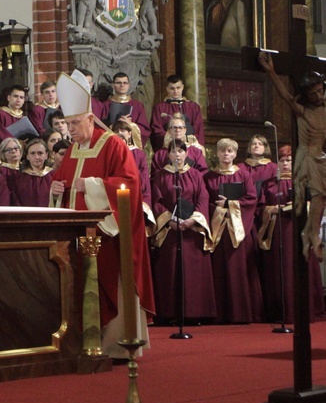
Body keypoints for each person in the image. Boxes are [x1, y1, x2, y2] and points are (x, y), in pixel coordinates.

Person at [50, 70, 154, 359]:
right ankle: (85, 342)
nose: (69, 129)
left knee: (110, 283)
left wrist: (94, 186)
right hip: (77, 236)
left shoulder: (113, 145)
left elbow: (130, 184)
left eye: (74, 123)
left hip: (108, 235)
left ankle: (117, 346)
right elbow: (62, 185)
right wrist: (56, 188)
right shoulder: (71, 151)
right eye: (67, 124)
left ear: (89, 119)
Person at [258, 51, 326, 261]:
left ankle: (310, 233)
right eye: (313, 93)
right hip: (309, 157)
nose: (318, 96)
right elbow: (285, 96)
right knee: (318, 194)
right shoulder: (303, 112)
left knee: (321, 197)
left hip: (322, 157)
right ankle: (312, 235)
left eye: (320, 90)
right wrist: (271, 71)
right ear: (306, 95)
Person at [258, 145, 326, 323]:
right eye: (282, 160)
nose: (285, 163)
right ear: (277, 163)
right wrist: (273, 208)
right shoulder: (269, 183)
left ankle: (306, 309)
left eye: (289, 160)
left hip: (299, 230)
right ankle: (281, 311)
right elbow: (260, 207)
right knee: (281, 268)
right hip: (278, 232)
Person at [151, 141, 216, 322]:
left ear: (186, 154)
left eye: (180, 151)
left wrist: (193, 220)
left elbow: (203, 197)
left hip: (191, 229)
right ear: (169, 155)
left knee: (193, 271)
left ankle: (195, 313)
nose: (177, 155)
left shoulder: (195, 175)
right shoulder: (161, 176)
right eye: (174, 152)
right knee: (170, 270)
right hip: (170, 230)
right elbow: (157, 201)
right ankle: (171, 313)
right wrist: (169, 221)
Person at [204, 138, 262, 323]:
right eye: (223, 151)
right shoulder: (209, 176)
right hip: (219, 229)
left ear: (235, 154)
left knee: (240, 269)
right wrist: (219, 210)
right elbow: (206, 203)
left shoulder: (243, 175)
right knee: (220, 269)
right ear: (218, 153)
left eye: (230, 151)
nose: (226, 154)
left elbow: (252, 199)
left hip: (239, 230)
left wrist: (230, 204)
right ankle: (220, 313)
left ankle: (242, 313)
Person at [150, 75, 205, 151]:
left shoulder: (193, 107)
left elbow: (198, 129)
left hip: (190, 147)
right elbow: (156, 130)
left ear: (182, 87)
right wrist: (174, 138)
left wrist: (186, 139)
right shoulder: (160, 108)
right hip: (169, 147)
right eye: (172, 88)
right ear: (167, 89)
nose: (175, 91)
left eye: (178, 88)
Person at [100, 72, 150, 148]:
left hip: (131, 147)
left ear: (129, 85)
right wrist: (114, 126)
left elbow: (145, 129)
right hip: (112, 145)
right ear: (113, 85)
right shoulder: (105, 105)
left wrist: (130, 125)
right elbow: (101, 128)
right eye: (118, 83)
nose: (122, 85)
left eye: (125, 83)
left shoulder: (137, 105)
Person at [10, 138, 53, 207]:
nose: (36, 157)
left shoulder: (54, 175)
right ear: (27, 156)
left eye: (40, 153)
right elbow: (15, 201)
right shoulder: (19, 178)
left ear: (46, 155)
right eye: (32, 153)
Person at [241, 135, 277, 199]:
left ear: (265, 148)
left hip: (267, 204)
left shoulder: (274, 167)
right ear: (249, 148)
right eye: (254, 144)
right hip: (246, 203)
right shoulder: (240, 167)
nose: (257, 146)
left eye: (260, 144)